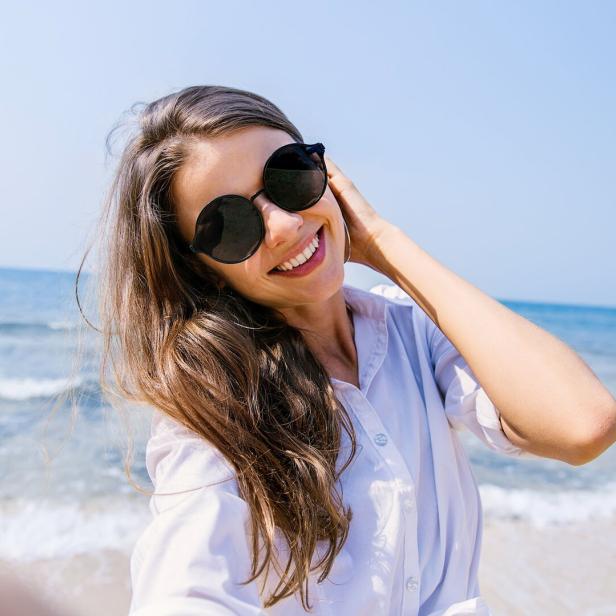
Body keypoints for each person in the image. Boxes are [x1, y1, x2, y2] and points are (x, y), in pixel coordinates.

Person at [85, 85, 616, 615]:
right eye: (228, 226)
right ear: (201, 270)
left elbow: (581, 425)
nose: (286, 226)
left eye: (290, 176)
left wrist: (383, 242)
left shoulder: (412, 331)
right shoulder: (214, 410)